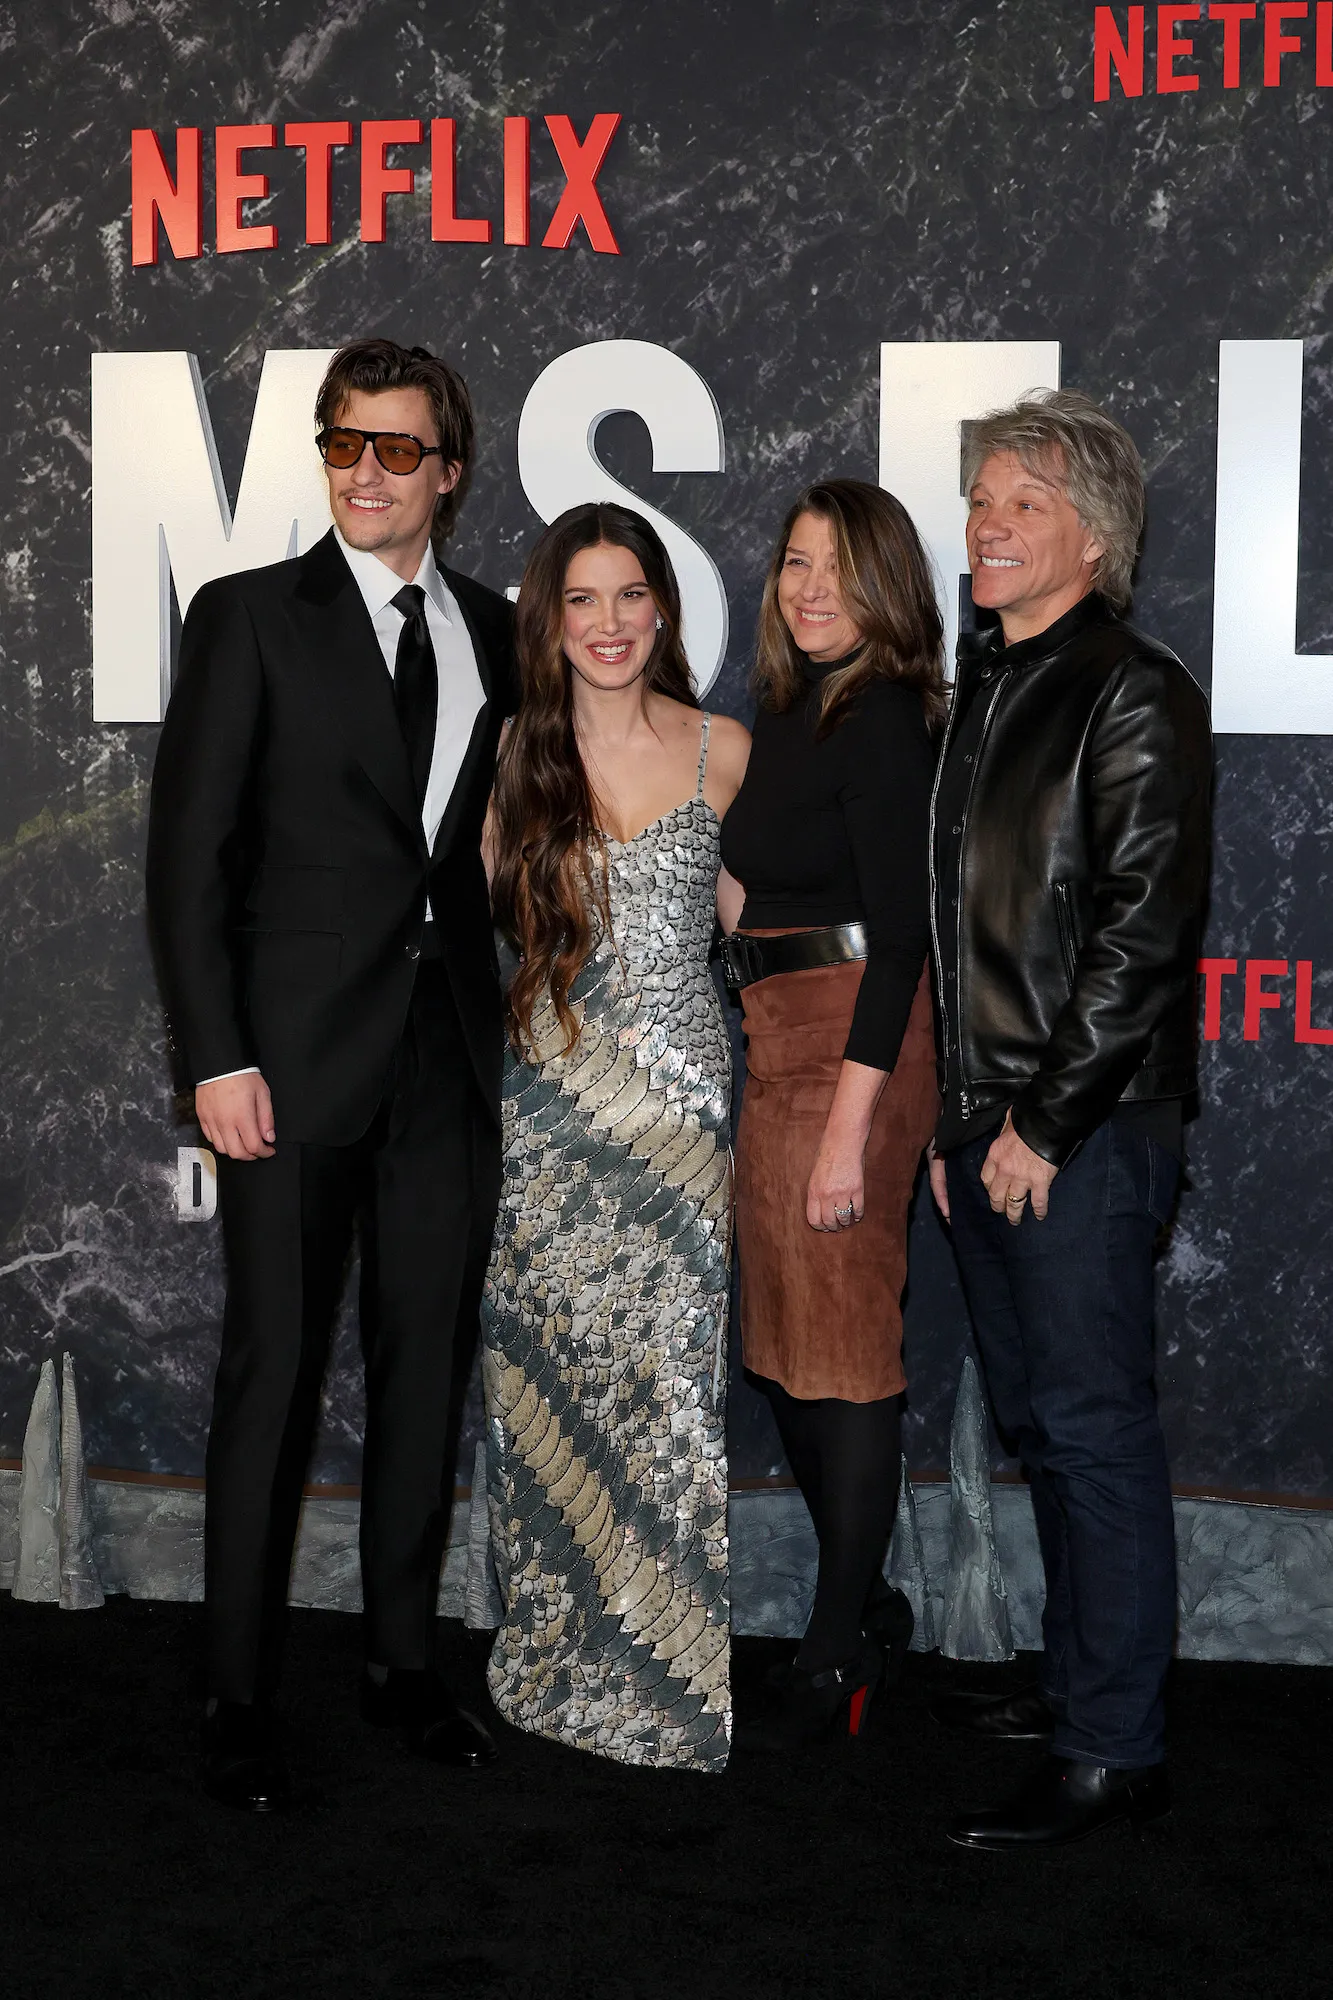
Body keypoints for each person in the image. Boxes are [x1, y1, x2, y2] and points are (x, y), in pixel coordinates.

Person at [146, 337, 516, 1811]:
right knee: (273, 1375)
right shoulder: (249, 619)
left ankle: (400, 1666)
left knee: (424, 1371)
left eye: (398, 449)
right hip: (286, 1069)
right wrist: (214, 1056)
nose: (367, 472)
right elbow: (188, 867)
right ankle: (239, 1693)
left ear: (450, 470)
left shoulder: (496, 627)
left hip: (446, 1064)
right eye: (344, 444)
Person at [927, 388, 1212, 1850]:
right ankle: (1085, 1681)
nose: (987, 519)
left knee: (1092, 1430)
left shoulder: (1131, 689)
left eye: (1024, 500)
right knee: (1043, 1422)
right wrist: (955, 1127)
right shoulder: (990, 684)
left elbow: (1137, 938)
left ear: (1093, 536)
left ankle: (1116, 1748)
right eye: (981, 494)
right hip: (987, 1129)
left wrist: (1038, 1123)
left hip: (1080, 1133)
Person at [482, 502, 750, 1771]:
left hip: (683, 1131)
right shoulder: (509, 754)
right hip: (546, 1123)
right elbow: (479, 930)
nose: (608, 622)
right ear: (551, 617)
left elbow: (759, 922)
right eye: (582, 600)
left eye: (629, 595)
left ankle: (668, 1678)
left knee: (666, 1405)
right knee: (548, 1389)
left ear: (662, 608)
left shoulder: (724, 751)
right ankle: (553, 1658)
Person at [719, 479, 943, 1749]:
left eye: (838, 569)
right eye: (795, 564)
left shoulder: (885, 717)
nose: (809, 589)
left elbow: (906, 939)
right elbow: (750, 891)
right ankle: (871, 1605)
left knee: (843, 1348)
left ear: (886, 587)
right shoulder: (794, 708)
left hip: (858, 1037)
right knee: (791, 1341)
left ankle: (839, 1640)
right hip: (775, 1031)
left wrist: (853, 1131)